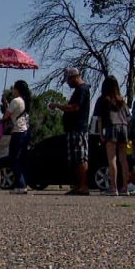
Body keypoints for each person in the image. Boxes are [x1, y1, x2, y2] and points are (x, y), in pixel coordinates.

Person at [49, 67, 91, 195]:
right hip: (73, 129)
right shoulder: (78, 90)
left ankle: (84, 186)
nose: (67, 83)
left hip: (79, 128)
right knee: (75, 158)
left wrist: (58, 106)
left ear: (74, 77)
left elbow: (74, 107)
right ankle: (78, 185)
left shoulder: (82, 90)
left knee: (80, 157)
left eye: (68, 80)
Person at [93, 75, 130, 195]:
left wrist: (100, 133)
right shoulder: (121, 100)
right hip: (123, 127)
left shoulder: (103, 100)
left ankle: (113, 187)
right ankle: (125, 187)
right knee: (123, 159)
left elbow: (99, 119)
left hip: (111, 126)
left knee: (112, 158)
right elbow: (128, 116)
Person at [3, 80, 32, 194]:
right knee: (21, 159)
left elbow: (6, 116)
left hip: (18, 131)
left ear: (17, 89)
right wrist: (6, 104)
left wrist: (7, 105)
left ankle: (21, 184)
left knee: (13, 158)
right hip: (26, 130)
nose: (12, 91)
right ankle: (21, 183)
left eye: (14, 88)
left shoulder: (15, 101)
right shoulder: (24, 101)